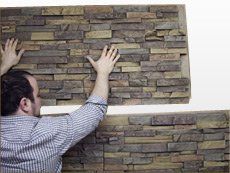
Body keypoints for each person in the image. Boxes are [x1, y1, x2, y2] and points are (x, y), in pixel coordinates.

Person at [0, 38, 120, 172]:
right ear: (25, 104)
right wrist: (103, 72)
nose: (41, 99)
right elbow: (94, 110)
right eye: (38, 95)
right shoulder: (46, 133)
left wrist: (4, 67)